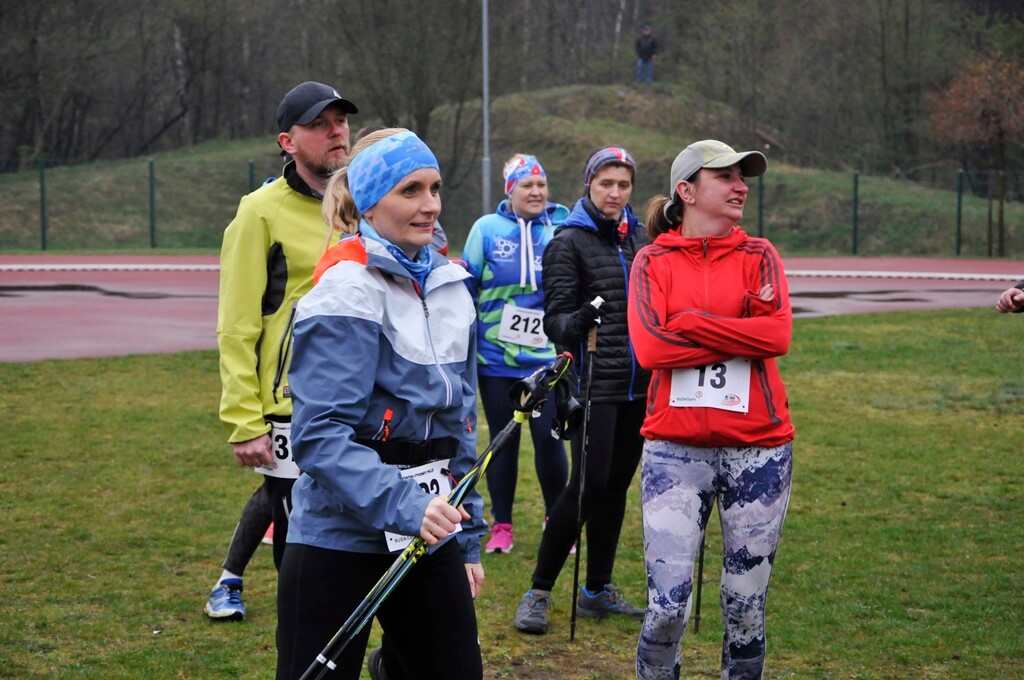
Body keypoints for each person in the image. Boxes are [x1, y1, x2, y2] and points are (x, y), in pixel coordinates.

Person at [276, 128, 486, 680]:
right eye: (410, 190)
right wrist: (408, 508)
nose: (431, 205)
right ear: (369, 201)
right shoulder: (347, 288)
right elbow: (319, 436)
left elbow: (460, 423)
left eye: (435, 188)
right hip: (339, 537)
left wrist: (467, 535)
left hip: (429, 529)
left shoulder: (452, 286)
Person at [628, 139, 794, 679]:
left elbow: (777, 335)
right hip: (673, 451)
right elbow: (652, 350)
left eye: (743, 177)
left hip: (760, 451)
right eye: (725, 176)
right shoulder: (651, 260)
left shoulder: (760, 255)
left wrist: (694, 323)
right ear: (687, 190)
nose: (740, 185)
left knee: (745, 608)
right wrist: (741, 333)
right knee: (666, 610)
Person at [206, 81, 358, 620]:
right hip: (291, 407)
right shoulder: (259, 211)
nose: (336, 131)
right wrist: (244, 419)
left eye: (340, 120)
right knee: (301, 540)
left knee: (361, 529)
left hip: (365, 398)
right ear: (287, 142)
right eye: (320, 124)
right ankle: (306, 644)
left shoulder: (365, 199)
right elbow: (236, 325)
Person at [513, 146, 651, 635]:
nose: (615, 193)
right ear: (588, 185)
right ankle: (539, 590)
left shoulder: (639, 238)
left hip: (639, 385)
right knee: (587, 486)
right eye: (606, 184)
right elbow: (555, 323)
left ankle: (597, 589)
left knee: (615, 487)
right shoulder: (567, 242)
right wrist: (581, 319)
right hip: (592, 383)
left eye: (623, 184)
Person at [461, 154, 570, 554]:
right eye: (527, 185)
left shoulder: (561, 226)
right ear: (511, 190)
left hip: (546, 361)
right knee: (502, 443)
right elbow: (468, 284)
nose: (537, 192)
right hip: (495, 360)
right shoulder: (486, 229)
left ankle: (555, 519)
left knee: (549, 439)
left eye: (542, 185)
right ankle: (502, 526)